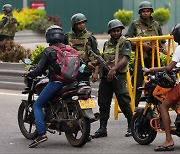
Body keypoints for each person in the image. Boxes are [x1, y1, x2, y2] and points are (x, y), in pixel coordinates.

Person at [27, 25, 75, 148]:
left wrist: (30, 73)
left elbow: (39, 70)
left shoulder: (48, 51)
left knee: (37, 105)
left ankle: (41, 134)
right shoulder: (69, 49)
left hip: (56, 83)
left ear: (48, 37)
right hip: (72, 83)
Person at [90, 19, 133, 138]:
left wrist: (114, 69)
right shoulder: (107, 43)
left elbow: (125, 59)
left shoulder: (125, 42)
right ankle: (102, 128)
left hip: (118, 77)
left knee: (124, 102)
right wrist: (95, 63)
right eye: (113, 31)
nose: (115, 33)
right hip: (105, 77)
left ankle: (132, 126)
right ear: (110, 32)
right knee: (103, 103)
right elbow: (103, 57)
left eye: (118, 30)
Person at [145, 23, 180, 151]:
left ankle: (169, 140)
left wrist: (152, 69)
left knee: (163, 106)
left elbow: (169, 68)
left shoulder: (179, 49)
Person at [125, 1, 167, 107]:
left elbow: (162, 41)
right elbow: (127, 39)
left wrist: (165, 50)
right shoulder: (134, 24)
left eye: (148, 11)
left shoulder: (156, 25)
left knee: (159, 80)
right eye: (143, 11)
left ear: (151, 12)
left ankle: (160, 104)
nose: (145, 13)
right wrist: (141, 45)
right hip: (141, 57)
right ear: (140, 13)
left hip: (155, 56)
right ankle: (134, 106)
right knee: (138, 82)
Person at [63, 13, 99, 84]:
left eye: (83, 22)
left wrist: (95, 72)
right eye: (79, 23)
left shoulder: (90, 37)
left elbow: (97, 56)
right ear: (74, 25)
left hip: (84, 69)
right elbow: (61, 53)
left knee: (84, 91)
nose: (82, 25)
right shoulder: (67, 37)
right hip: (70, 70)